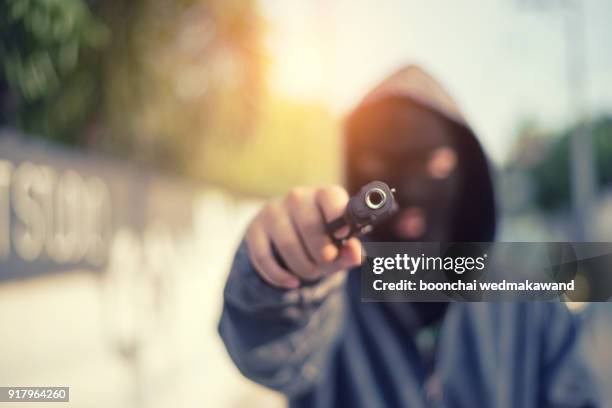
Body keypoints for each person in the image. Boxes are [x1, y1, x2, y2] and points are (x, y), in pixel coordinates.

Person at [218, 65, 598, 407]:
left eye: (432, 163)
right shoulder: (329, 291)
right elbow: (267, 355)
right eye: (377, 165)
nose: (408, 193)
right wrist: (279, 276)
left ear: (467, 170)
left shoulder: (528, 290)